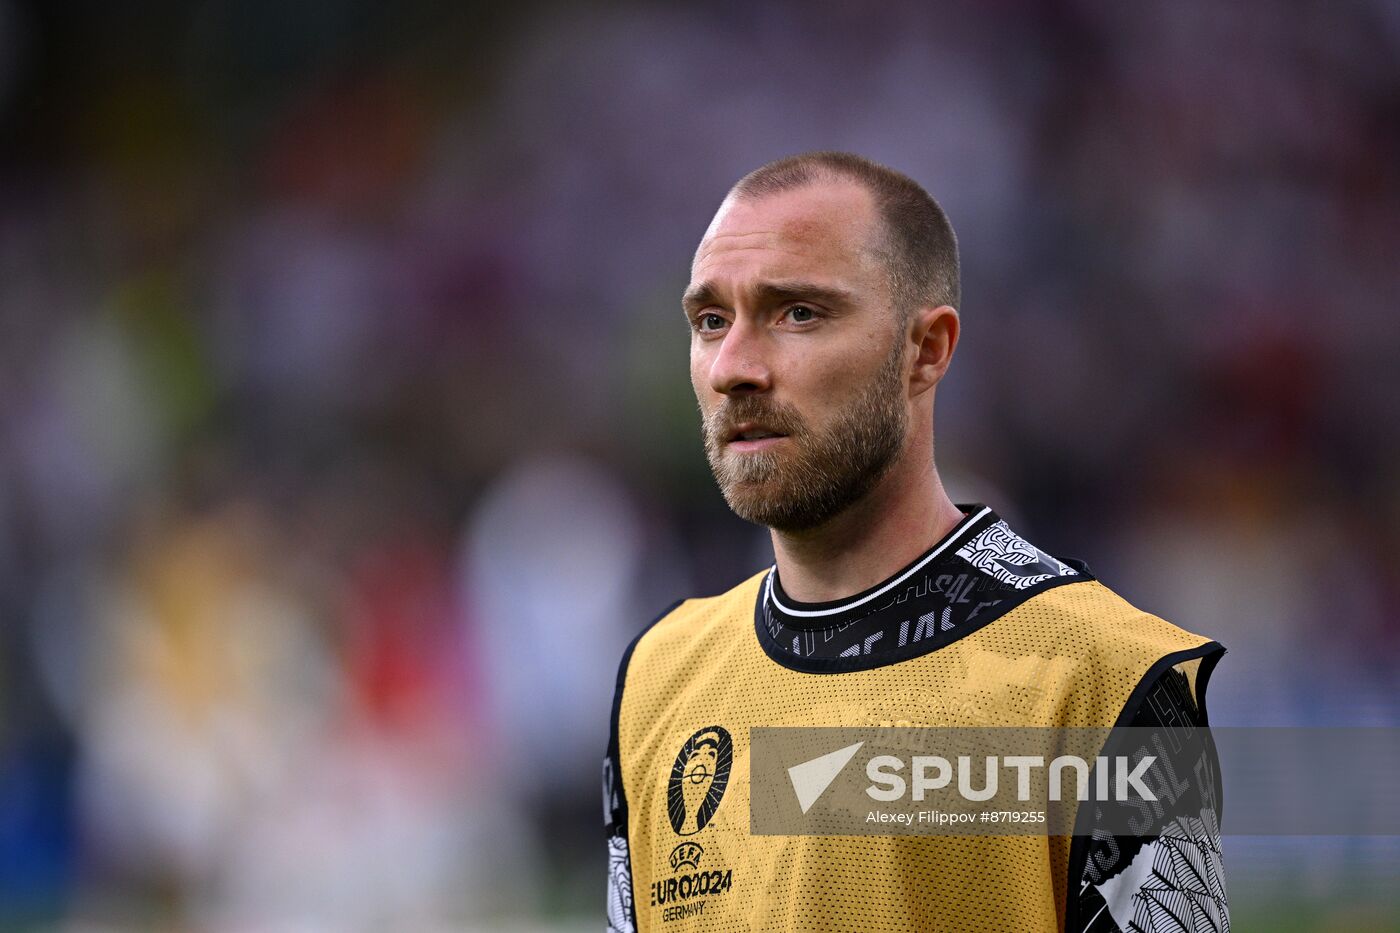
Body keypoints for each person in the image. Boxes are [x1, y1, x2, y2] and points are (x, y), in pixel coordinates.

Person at [603, 152, 1228, 932]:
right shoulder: (658, 678)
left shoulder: (1104, 680)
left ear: (925, 350)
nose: (734, 367)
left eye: (798, 312)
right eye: (711, 321)